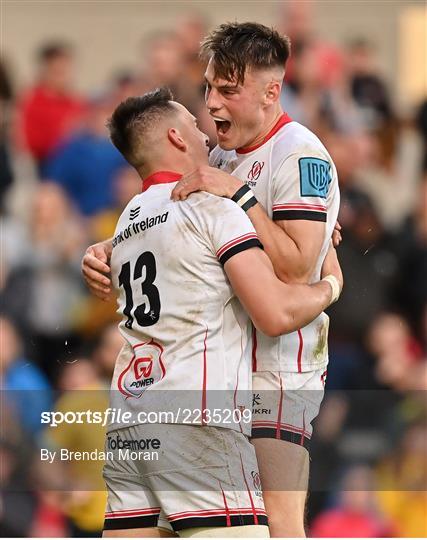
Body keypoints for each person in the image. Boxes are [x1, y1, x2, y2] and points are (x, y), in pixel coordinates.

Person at [82, 23, 341, 537]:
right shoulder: (217, 155)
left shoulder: (300, 154)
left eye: (227, 90)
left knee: (277, 523)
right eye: (208, 88)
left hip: (276, 373)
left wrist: (241, 196)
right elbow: (176, 227)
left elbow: (293, 269)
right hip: (211, 381)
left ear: (271, 92)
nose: (212, 104)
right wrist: (111, 249)